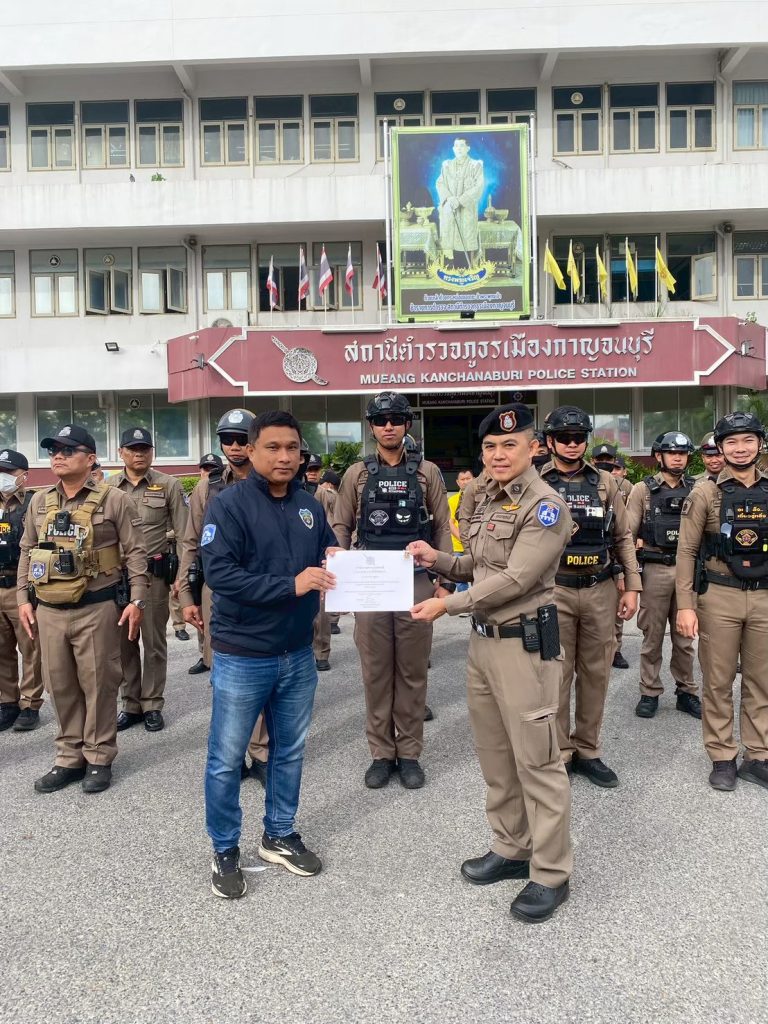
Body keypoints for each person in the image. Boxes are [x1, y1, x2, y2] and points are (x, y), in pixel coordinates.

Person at [408, 402, 573, 924]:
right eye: (490, 447)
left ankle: (551, 873)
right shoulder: (487, 499)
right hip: (483, 645)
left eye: (509, 444)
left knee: (538, 763)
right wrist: (437, 560)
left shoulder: (545, 506)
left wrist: (448, 605)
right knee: (497, 759)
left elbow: (516, 578)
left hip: (525, 648)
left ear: (534, 448)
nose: (498, 454)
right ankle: (511, 847)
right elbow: (479, 565)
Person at [201, 409, 337, 899]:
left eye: (292, 448)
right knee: (226, 758)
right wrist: (290, 585)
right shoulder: (229, 505)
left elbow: (327, 550)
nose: (284, 457)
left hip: (297, 653)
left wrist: (340, 562)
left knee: (289, 751)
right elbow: (221, 575)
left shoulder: (308, 505)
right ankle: (224, 848)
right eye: (273, 447)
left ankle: (279, 834)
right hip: (243, 654)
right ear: (252, 451)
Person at [16, 424, 148, 794]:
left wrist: (137, 600)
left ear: (90, 459)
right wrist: (23, 598)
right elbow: (27, 550)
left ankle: (99, 757)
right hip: (48, 609)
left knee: (99, 684)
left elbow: (136, 552)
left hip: (96, 607)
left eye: (68, 449)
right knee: (59, 685)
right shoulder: (40, 502)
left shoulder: (114, 500)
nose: (58, 455)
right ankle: (69, 758)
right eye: (54, 450)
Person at [331, 392, 452, 790]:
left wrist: (445, 581)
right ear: (371, 427)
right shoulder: (356, 473)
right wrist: (337, 567)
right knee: (376, 673)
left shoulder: (427, 472)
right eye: (381, 420)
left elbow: (441, 527)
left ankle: (410, 753)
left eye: (396, 419)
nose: (388, 426)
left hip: (414, 581)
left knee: (413, 672)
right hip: (369, 583)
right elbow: (341, 526)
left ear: (406, 425)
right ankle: (382, 754)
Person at [540, 406, 641, 787]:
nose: (572, 444)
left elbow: (622, 537)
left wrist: (632, 586)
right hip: (555, 591)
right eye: (564, 438)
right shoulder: (535, 481)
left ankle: (589, 749)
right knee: (556, 674)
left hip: (600, 589)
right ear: (550, 442)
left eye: (578, 438)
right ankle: (561, 752)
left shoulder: (605, 482)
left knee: (596, 673)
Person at [677, 411, 768, 793]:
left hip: (764, 596)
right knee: (718, 681)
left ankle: (757, 756)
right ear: (721, 448)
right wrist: (685, 605)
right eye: (731, 442)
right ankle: (722, 755)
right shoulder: (705, 492)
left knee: (762, 680)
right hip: (719, 596)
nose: (740, 448)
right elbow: (686, 550)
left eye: (748, 440)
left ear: (760, 444)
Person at [178, 408, 270, 782]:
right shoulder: (208, 487)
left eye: (241, 439)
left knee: (263, 672)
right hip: (218, 590)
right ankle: (233, 755)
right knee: (225, 675)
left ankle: (262, 753)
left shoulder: (274, 480)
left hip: (265, 588)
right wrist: (186, 597)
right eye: (226, 440)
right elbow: (190, 543)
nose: (233, 446)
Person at [110, 428, 188, 733]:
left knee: (154, 643)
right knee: (123, 643)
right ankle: (130, 704)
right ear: (121, 453)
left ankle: (152, 703)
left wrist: (182, 576)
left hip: (153, 576)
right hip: (116, 578)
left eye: (144, 448)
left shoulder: (169, 485)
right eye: (132, 448)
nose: (139, 453)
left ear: (152, 452)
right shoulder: (107, 487)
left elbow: (184, 534)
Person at [627, 432, 700, 721]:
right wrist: (629, 579)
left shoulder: (697, 489)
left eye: (682, 453)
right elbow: (627, 535)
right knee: (652, 635)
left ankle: (686, 692)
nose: (678, 458)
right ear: (659, 456)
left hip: (688, 571)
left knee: (685, 638)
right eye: (672, 453)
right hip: (655, 568)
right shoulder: (642, 490)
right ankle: (649, 692)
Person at [0, 449, 43, 732]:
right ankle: (7, 702)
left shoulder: (33, 503)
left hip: (21, 585)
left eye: (8, 472)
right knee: (1, 650)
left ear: (24, 476)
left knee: (30, 649)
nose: (2, 476)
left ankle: (30, 704)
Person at [591, 445, 633, 669]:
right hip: (596, 551)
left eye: (609, 460)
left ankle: (616, 649)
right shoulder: (590, 481)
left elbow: (626, 526)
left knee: (617, 606)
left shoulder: (626, 486)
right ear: (593, 460)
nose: (605, 464)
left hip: (616, 551)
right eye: (601, 459)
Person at [436, 137, 484, 266]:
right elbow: (440, 183)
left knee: (467, 238)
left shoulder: (475, 165)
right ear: (453, 149)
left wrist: (461, 200)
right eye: (456, 146)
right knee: (450, 239)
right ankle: (451, 267)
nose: (459, 149)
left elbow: (478, 186)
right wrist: (449, 198)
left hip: (466, 209)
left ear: (468, 148)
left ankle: (468, 268)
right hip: (451, 208)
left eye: (462, 145)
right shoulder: (447, 165)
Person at [313, 469, 341, 671]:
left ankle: (321, 653)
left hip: (324, 549)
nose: (311, 474)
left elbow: (339, 519)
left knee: (322, 606)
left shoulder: (326, 494)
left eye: (315, 470)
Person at [448, 468, 474, 594]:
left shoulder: (483, 498)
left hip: (477, 545)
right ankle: (465, 602)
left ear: (474, 480)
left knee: (479, 575)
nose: (465, 482)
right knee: (459, 578)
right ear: (458, 483)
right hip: (458, 546)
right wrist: (464, 540)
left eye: (468, 478)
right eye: (462, 479)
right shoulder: (452, 500)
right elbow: (450, 523)